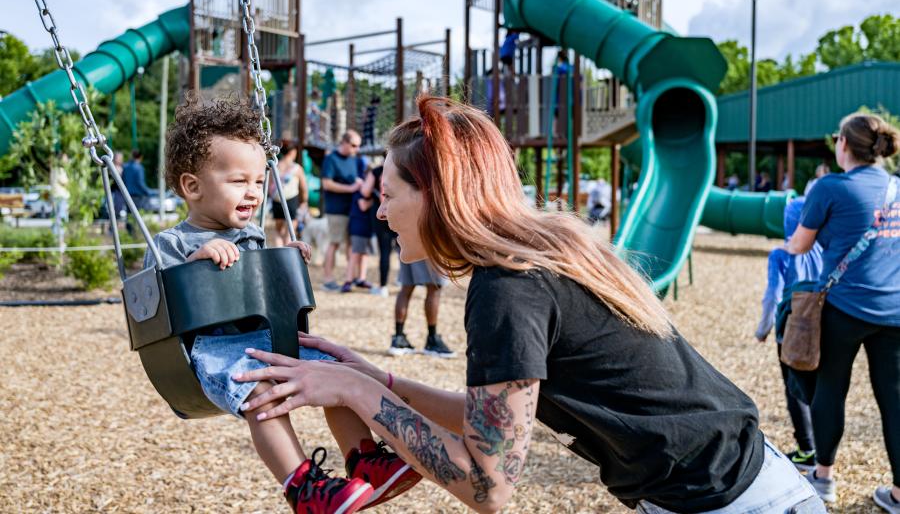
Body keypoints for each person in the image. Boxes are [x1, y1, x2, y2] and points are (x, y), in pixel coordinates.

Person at [235, 96, 824, 514]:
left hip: (730, 500)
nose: (381, 211)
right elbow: (489, 418)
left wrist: (354, 392)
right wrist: (377, 379)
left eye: (389, 195)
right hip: (747, 484)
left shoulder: (508, 288)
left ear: (437, 196)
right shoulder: (535, 254)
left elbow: (488, 487)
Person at [147, 97, 419, 514]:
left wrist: (284, 259)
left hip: (267, 338)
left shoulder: (253, 236)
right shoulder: (171, 244)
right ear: (193, 187)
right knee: (262, 393)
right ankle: (304, 488)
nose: (253, 192)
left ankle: (364, 459)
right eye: (239, 181)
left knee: (336, 370)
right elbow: (154, 298)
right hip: (212, 353)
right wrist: (195, 263)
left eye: (259, 182)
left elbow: (261, 286)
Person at [786, 112, 900, 510]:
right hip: (895, 310)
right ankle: (899, 494)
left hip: (844, 307)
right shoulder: (898, 187)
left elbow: (799, 245)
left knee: (830, 390)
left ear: (844, 144)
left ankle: (824, 479)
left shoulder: (829, 187)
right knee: (895, 401)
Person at [755, 197, 824, 471]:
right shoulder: (823, 250)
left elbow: (773, 295)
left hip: (791, 326)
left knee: (795, 388)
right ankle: (825, 449)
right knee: (821, 386)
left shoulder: (781, 254)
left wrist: (763, 328)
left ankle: (807, 449)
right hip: (822, 324)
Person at [320, 131, 364, 292]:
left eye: (358, 146)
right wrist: (350, 188)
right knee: (334, 243)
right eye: (354, 145)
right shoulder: (331, 159)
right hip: (336, 210)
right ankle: (327, 279)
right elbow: (327, 184)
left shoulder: (354, 159)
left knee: (351, 245)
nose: (357, 149)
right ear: (344, 142)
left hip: (352, 209)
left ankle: (351, 277)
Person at [389, 260, 454, 358]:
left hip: (406, 250)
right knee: (434, 287)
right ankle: (432, 339)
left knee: (406, 287)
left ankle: (398, 338)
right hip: (430, 251)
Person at [361, 162, 395, 297]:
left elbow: (365, 191)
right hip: (400, 212)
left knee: (385, 252)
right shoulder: (402, 167)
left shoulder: (378, 171)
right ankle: (405, 281)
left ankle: (383, 286)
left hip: (383, 217)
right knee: (403, 249)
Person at [342, 162, 374, 293]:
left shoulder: (367, 189)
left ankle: (361, 278)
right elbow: (363, 206)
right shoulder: (362, 189)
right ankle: (348, 280)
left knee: (364, 253)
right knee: (355, 253)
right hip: (358, 225)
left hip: (366, 225)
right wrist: (375, 201)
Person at [270, 141, 308, 248]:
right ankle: (287, 255)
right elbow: (304, 188)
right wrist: (304, 202)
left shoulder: (275, 166)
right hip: (291, 201)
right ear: (292, 152)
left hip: (277, 201)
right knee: (290, 233)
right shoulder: (297, 168)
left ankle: (278, 254)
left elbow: (270, 185)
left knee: (278, 231)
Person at [49, 153, 69, 241]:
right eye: (65, 158)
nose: (67, 160)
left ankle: (55, 239)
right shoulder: (60, 170)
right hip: (60, 197)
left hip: (55, 196)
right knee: (61, 218)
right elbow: (65, 183)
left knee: (56, 218)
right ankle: (59, 240)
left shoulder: (54, 170)